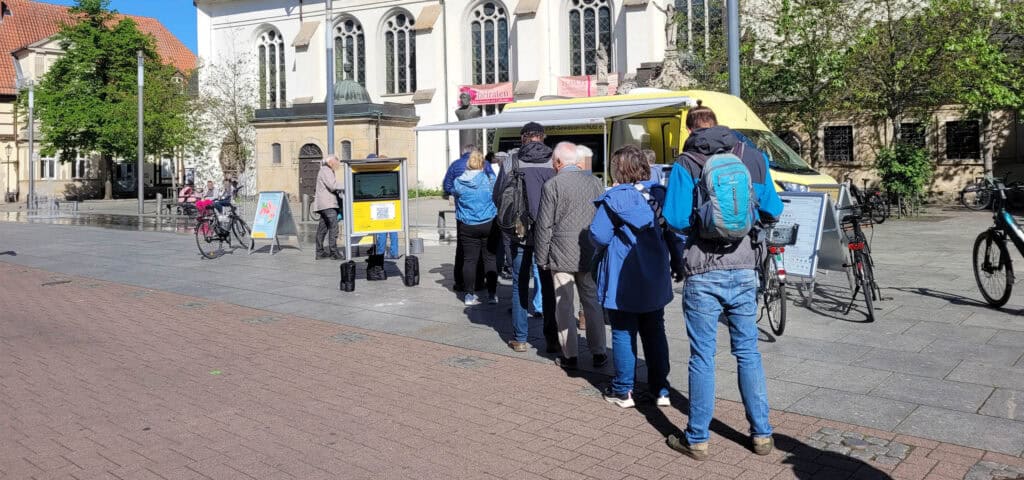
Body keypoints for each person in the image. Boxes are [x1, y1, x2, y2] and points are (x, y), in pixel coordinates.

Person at [663, 105, 784, 460]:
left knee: (703, 356)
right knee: (748, 352)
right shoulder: (752, 155)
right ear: (719, 126)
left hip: (703, 268)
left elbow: (674, 218)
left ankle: (697, 438)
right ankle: (762, 435)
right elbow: (773, 209)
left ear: (690, 130)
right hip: (746, 265)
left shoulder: (686, 163)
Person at [590, 144, 674, 409]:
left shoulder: (615, 198)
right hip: (655, 269)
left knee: (624, 331)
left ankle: (623, 390)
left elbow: (598, 235)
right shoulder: (658, 194)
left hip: (622, 272)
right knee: (655, 330)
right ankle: (661, 389)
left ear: (619, 168)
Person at [535, 142, 608, 369]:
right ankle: (599, 352)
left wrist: (541, 257)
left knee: (563, 304)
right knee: (592, 302)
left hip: (560, 252)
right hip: (590, 250)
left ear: (557, 162)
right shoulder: (596, 182)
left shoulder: (553, 184)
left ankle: (570, 355)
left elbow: (544, 225)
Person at [493, 122, 557, 353]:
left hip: (519, 231)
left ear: (523, 139)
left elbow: (499, 195)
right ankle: (552, 340)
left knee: (520, 282)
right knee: (548, 284)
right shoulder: (556, 159)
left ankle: (520, 338)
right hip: (548, 232)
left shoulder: (511, 160)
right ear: (543, 137)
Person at [452, 149, 499, 306]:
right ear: (482, 164)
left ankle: (469, 295)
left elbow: (455, 195)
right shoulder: (490, 180)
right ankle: (492, 294)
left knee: (469, 260)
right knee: (490, 259)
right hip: (489, 223)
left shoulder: (458, 182)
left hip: (468, 224)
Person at [444, 145, 493, 290]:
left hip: (464, 217)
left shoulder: (454, 166)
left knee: (464, 253)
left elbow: (447, 186)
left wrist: (459, 195)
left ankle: (461, 283)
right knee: (486, 255)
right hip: (487, 218)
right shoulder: (487, 167)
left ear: (463, 154)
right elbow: (495, 185)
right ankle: (481, 283)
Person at [314, 155, 344, 260]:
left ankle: (319, 252)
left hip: (324, 204)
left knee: (323, 228)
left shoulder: (325, 170)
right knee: (334, 227)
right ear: (331, 162)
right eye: (336, 163)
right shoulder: (326, 170)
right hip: (328, 204)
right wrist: (347, 185)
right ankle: (334, 252)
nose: (337, 165)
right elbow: (332, 185)